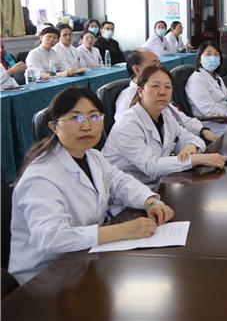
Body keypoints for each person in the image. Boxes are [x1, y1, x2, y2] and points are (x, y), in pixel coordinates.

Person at [9, 87, 174, 285]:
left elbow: (120, 182)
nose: (87, 126)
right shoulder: (40, 176)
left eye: (94, 117)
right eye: (75, 118)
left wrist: (150, 201)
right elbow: (50, 238)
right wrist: (122, 231)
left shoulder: (92, 156)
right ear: (54, 127)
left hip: (83, 260)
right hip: (43, 278)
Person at [103, 66, 226, 185]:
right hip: (125, 191)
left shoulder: (165, 114)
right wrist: (196, 159)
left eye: (167, 87)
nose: (162, 92)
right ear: (140, 91)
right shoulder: (127, 125)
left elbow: (189, 137)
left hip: (157, 183)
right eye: (155, 86)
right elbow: (152, 167)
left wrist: (192, 145)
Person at [114, 50, 217, 142]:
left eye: (159, 63)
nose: (159, 68)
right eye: (154, 64)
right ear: (137, 69)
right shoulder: (127, 100)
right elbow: (128, 136)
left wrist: (202, 130)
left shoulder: (160, 95)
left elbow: (181, 118)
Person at [186, 42, 227, 137]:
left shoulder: (216, 77)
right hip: (212, 126)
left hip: (226, 120)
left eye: (216, 55)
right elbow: (209, 110)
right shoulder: (196, 80)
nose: (213, 57)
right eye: (208, 54)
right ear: (199, 59)